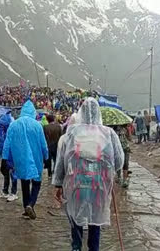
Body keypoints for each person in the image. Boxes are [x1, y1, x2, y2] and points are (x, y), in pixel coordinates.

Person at [53, 98, 124, 251]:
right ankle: (94, 247)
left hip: (76, 184)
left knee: (75, 214)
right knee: (95, 218)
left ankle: (77, 247)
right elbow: (118, 161)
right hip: (98, 185)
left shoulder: (71, 133)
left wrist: (58, 184)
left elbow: (61, 162)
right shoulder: (109, 133)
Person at [3, 100, 48, 220]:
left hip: (20, 159)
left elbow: (7, 144)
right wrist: (47, 157)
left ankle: (26, 208)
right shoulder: (37, 125)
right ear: (33, 112)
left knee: (24, 183)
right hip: (36, 158)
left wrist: (4, 159)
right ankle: (31, 204)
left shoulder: (13, 125)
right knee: (37, 183)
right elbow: (43, 145)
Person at [0, 113, 18, 202]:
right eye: (0, 125)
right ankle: (5, 191)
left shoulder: (12, 130)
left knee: (13, 173)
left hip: (12, 155)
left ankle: (14, 193)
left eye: (2, 125)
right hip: (4, 154)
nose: (1, 126)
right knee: (4, 171)